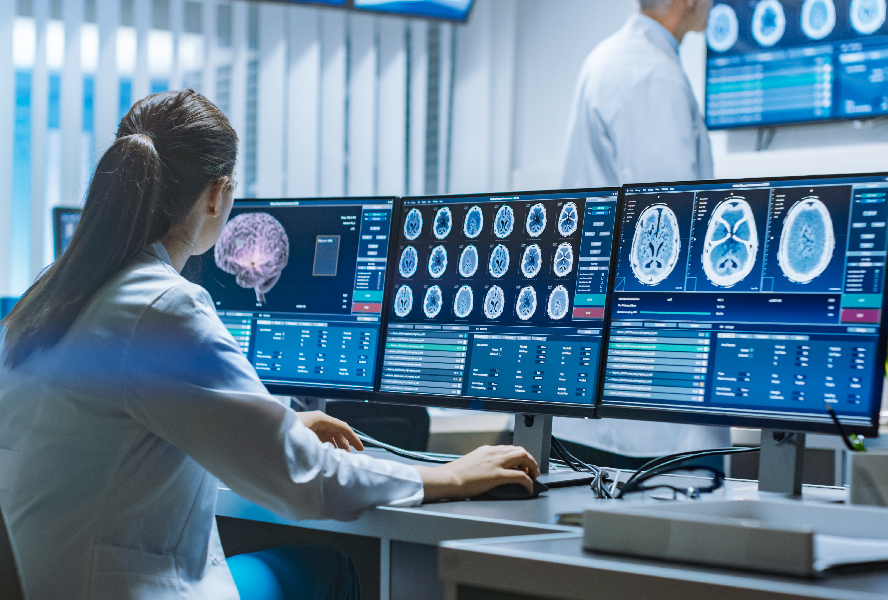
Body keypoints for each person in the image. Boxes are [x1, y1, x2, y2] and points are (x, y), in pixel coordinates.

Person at [0, 90, 539, 600]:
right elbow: (302, 479)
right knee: (330, 568)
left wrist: (270, 429)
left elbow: (117, 436)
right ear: (216, 194)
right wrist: (448, 476)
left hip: (46, 578)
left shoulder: (50, 295)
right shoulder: (163, 306)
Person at [553, 0, 730, 469]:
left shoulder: (610, 58)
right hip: (649, 410)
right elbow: (673, 229)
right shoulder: (652, 75)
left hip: (607, 389)